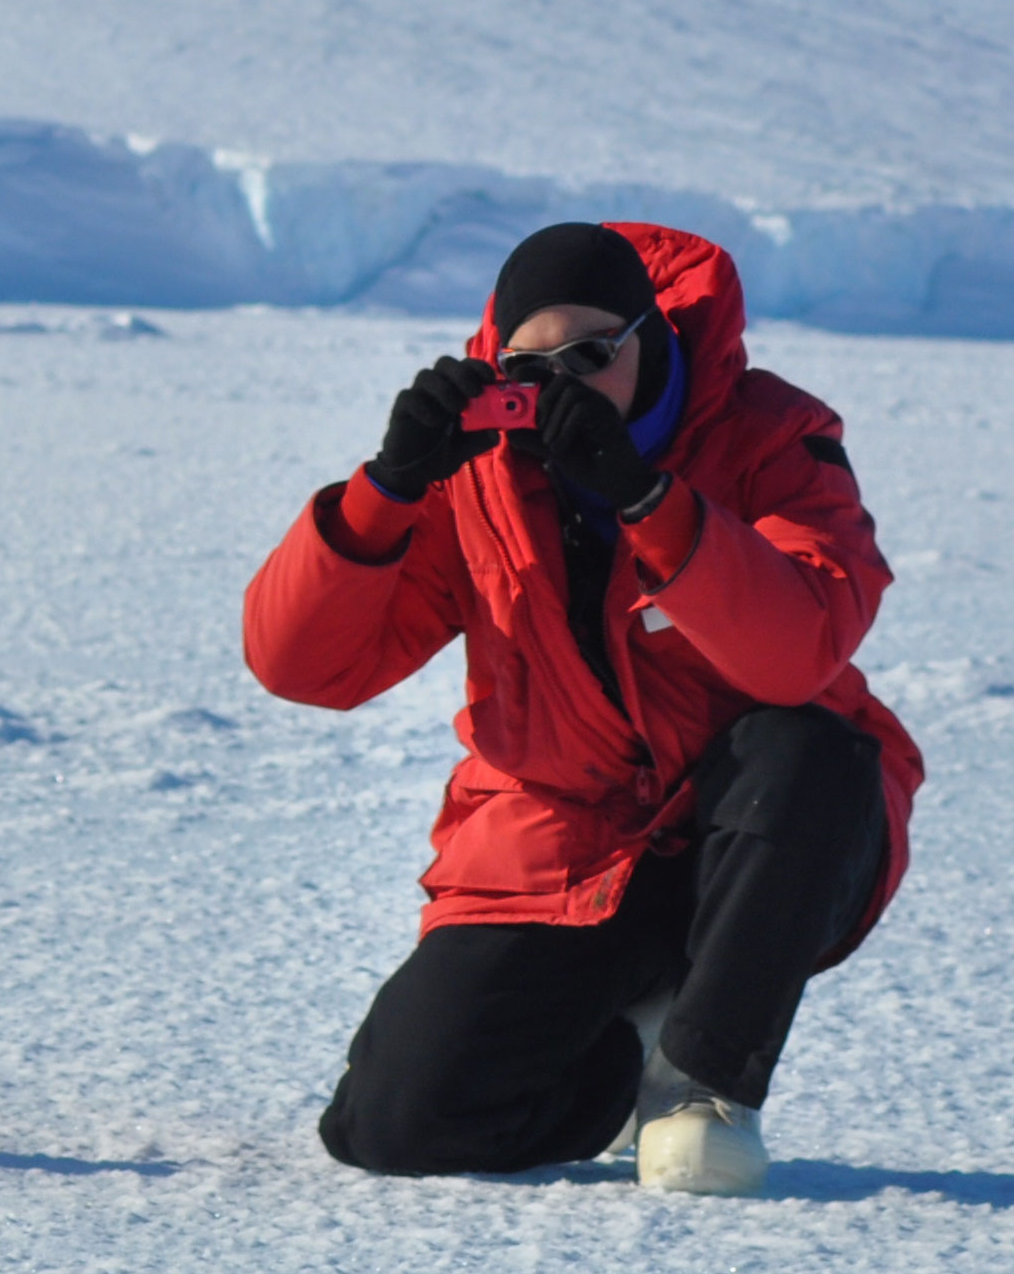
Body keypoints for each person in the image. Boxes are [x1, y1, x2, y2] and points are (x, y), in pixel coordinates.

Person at [245, 222, 921, 1194]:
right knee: (395, 1125)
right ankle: (619, 1056)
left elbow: (798, 649)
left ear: (655, 338)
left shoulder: (774, 437)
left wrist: (649, 500)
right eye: (532, 362)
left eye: (593, 355)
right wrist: (385, 491)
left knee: (806, 750)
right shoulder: (472, 472)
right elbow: (303, 666)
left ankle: (700, 1082)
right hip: (563, 840)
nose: (565, 382)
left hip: (769, 839)